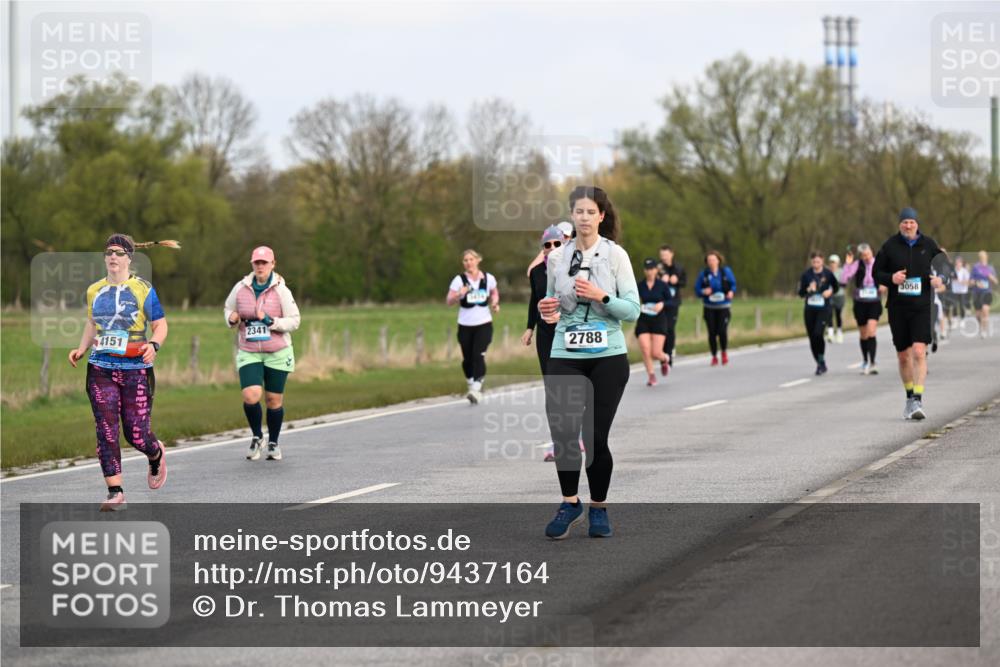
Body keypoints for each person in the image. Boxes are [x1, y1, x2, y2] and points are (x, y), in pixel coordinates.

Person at [537, 185, 639, 539]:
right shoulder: (557, 258)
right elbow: (552, 302)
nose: (583, 217)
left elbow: (632, 308)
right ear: (573, 216)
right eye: (577, 212)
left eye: (589, 211)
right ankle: (570, 502)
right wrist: (546, 309)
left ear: (601, 216)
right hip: (566, 352)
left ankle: (598, 507)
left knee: (594, 437)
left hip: (607, 355)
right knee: (564, 434)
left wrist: (602, 295)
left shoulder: (615, 256)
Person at [68, 233, 177, 511]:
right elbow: (92, 324)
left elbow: (161, 325)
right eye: (109, 252)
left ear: (129, 257)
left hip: (136, 370)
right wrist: (81, 349)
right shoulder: (94, 290)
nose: (113, 257)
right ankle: (115, 492)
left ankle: (155, 454)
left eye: (118, 252)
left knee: (136, 434)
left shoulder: (142, 288)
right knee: (106, 430)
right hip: (101, 368)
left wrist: (154, 344)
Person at [224, 246, 301, 461]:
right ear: (252, 265)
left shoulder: (281, 291)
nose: (260, 266)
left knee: (273, 399)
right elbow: (228, 309)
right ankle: (257, 436)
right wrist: (231, 319)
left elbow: (295, 320)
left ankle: (274, 442)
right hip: (249, 350)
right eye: (257, 263)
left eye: (264, 263)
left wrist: (271, 321)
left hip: (277, 350)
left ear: (272, 265)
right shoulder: (241, 287)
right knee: (251, 395)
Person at [874, 207, 948, 420]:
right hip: (898, 308)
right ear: (900, 224)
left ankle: (918, 399)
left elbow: (945, 268)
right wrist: (891, 278)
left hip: (922, 307)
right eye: (905, 222)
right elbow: (876, 273)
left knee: (918, 352)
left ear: (917, 224)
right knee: (903, 355)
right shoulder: (890, 246)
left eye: (912, 222)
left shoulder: (929, 245)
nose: (908, 225)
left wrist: (940, 279)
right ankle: (909, 398)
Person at [447, 249, 500, 404]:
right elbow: (449, 301)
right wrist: (458, 294)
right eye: (465, 260)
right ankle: (471, 383)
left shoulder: (488, 278)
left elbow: (494, 293)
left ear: (478, 260)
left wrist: (495, 303)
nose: (468, 262)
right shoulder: (459, 280)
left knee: (479, 355)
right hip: (465, 325)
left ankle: (476, 388)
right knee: (467, 359)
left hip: (484, 324)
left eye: (471, 259)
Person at [842, 243, 885, 375]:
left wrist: (884, 285)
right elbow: (844, 280)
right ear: (860, 255)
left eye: (868, 254)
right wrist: (847, 265)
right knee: (863, 333)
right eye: (863, 255)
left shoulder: (879, 263)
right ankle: (865, 360)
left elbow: (887, 277)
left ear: (872, 252)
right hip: (860, 302)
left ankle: (873, 362)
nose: (866, 257)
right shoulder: (856, 265)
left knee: (871, 330)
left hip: (874, 301)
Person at [798, 252, 839, 375]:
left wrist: (829, 292)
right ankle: (820, 362)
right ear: (811, 262)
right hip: (810, 309)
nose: (816, 264)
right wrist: (808, 289)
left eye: (818, 262)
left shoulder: (828, 273)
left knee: (818, 334)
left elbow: (836, 287)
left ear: (822, 261)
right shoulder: (806, 275)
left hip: (824, 309)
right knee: (812, 337)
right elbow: (800, 293)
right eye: (814, 262)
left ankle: (821, 360)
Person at [694, 251, 737, 366]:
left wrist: (731, 292)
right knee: (712, 332)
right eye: (709, 260)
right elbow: (697, 290)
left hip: (723, 306)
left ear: (718, 260)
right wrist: (704, 291)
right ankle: (714, 356)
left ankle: (723, 352)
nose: (711, 262)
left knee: (722, 331)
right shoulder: (703, 274)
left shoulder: (725, 272)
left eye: (713, 259)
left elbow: (733, 285)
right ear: (707, 262)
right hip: (709, 307)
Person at [636, 258, 671, 385]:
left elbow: (672, 301)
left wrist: (662, 303)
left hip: (658, 319)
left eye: (651, 269)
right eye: (647, 269)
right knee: (645, 349)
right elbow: (631, 298)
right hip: (644, 318)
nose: (649, 272)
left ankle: (665, 358)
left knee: (656, 353)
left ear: (656, 270)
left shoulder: (662, 285)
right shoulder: (640, 285)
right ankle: (651, 375)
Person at [656, 245, 686, 366]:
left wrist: (676, 280)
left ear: (671, 254)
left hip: (673, 303)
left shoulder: (679, 267)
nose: (663, 257)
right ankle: (662, 353)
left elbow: (684, 282)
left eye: (665, 255)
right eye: (661, 255)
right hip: (660, 303)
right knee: (662, 329)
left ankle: (669, 354)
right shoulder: (657, 267)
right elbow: (651, 280)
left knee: (670, 328)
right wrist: (660, 279)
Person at [970, 250, 998, 339]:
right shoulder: (975, 268)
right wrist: (975, 282)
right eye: (981, 257)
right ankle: (981, 325)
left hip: (987, 292)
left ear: (986, 257)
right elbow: (970, 281)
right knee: (978, 315)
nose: (982, 258)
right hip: (977, 293)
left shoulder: (990, 268)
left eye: (984, 257)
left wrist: (991, 278)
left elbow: (996, 282)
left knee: (985, 310)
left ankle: (984, 330)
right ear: (979, 258)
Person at [826, 254, 846, 343]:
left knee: (838, 314)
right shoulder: (826, 272)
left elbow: (844, 284)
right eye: (831, 262)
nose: (832, 264)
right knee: (829, 314)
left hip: (839, 295)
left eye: (834, 262)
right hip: (829, 296)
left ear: (838, 263)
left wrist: (836, 284)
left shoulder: (842, 272)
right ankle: (830, 333)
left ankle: (839, 332)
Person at [948, 255, 970, 330]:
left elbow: (967, 282)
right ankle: (955, 320)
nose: (958, 264)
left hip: (963, 291)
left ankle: (962, 320)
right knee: (954, 305)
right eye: (957, 262)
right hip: (955, 290)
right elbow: (950, 278)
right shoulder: (953, 270)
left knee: (961, 305)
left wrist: (960, 281)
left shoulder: (964, 271)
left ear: (961, 263)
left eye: (959, 262)